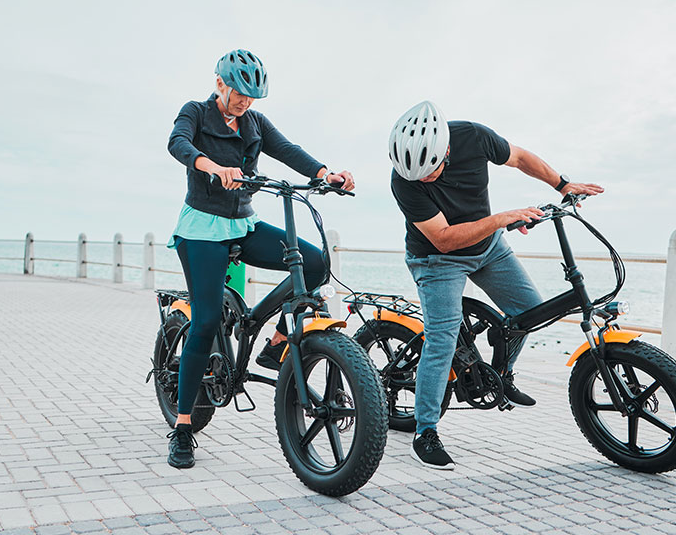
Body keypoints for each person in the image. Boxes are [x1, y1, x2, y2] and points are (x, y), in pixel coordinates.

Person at [164, 49, 354, 468]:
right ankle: (181, 428)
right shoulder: (195, 112)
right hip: (202, 229)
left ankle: (276, 342)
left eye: (251, 97)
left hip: (243, 223)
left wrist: (325, 175)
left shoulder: (254, 122)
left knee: (315, 264)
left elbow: (288, 149)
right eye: (238, 94)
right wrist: (211, 165)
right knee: (207, 320)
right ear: (220, 84)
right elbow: (177, 143)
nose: (244, 103)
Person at [388, 100, 603, 470]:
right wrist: (501, 218)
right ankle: (425, 432)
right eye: (416, 175)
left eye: (431, 170)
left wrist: (563, 185)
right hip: (436, 260)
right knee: (441, 336)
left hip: (488, 249)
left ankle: (500, 375)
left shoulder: (473, 136)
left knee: (530, 314)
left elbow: (519, 158)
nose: (425, 179)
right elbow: (443, 239)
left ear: (447, 148)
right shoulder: (404, 181)